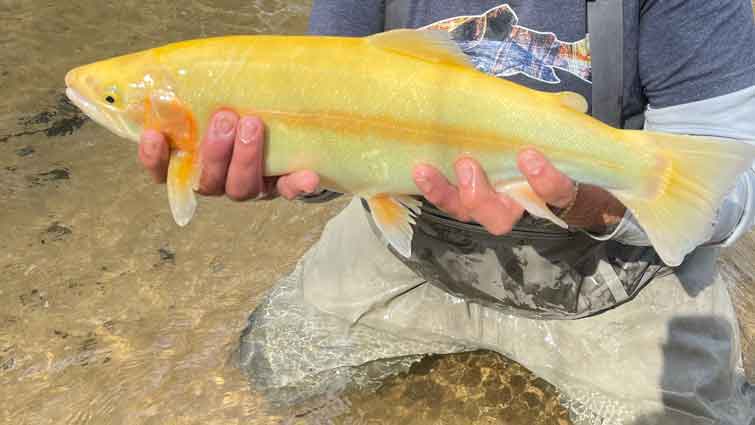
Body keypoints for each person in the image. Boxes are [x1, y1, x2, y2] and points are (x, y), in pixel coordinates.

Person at [139, 1, 755, 423]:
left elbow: (727, 191)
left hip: (616, 266)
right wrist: (288, 170)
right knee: (270, 371)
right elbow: (336, 138)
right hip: (409, 249)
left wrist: (583, 198)